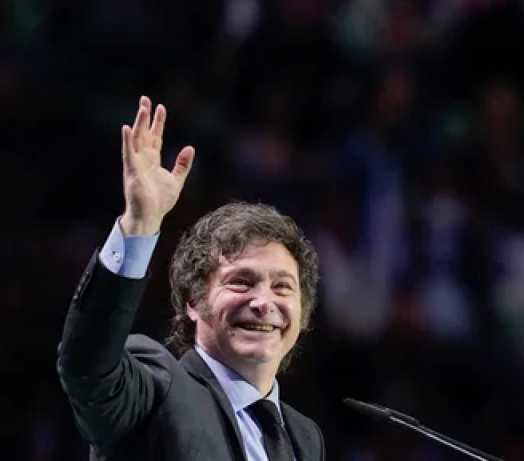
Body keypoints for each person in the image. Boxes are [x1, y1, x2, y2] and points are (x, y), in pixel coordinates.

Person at [57, 96, 325, 461]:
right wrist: (140, 224)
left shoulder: (305, 438)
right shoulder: (159, 388)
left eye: (282, 286)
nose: (264, 303)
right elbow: (87, 367)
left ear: (304, 313)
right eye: (241, 282)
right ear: (194, 302)